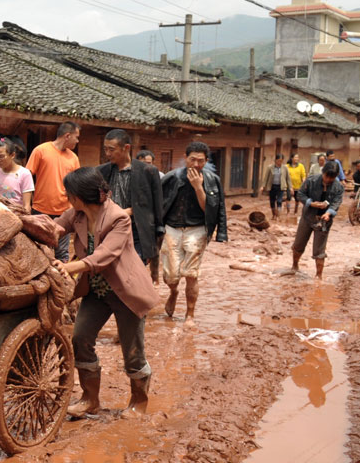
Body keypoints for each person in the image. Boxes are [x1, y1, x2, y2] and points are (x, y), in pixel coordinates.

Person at [52, 168, 159, 418]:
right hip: (96, 290)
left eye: (68, 193)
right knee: (80, 338)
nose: (67, 197)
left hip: (126, 290)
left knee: (133, 351)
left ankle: (139, 403)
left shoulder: (119, 218)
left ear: (78, 196)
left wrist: (69, 267)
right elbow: (54, 228)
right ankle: (90, 399)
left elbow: (104, 255)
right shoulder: (76, 214)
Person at [159, 141, 228, 326]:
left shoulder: (212, 180)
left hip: (197, 230)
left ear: (206, 161)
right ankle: (173, 292)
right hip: (172, 229)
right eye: (193, 160)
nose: (196, 164)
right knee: (171, 276)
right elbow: (158, 204)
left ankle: (190, 315)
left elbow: (214, 209)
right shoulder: (171, 177)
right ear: (185, 158)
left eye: (201, 161)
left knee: (191, 274)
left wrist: (198, 186)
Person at [97, 129, 164, 265]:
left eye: (111, 149)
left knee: (135, 271)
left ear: (126, 147)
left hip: (137, 231)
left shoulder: (148, 171)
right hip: (110, 230)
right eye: (105, 149)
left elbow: (156, 206)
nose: (108, 154)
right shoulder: (101, 171)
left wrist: (156, 237)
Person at [27, 121, 81, 261]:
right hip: (41, 210)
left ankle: (60, 281)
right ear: (67, 136)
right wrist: (26, 204)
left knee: (61, 253)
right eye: (76, 137)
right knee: (38, 250)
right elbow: (26, 177)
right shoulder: (41, 150)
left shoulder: (74, 158)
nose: (78, 140)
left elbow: (77, 185)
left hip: (64, 212)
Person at [290, 159, 344, 280]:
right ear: (322, 172)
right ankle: (295, 265)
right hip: (308, 217)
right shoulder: (311, 180)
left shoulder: (338, 187)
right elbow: (300, 194)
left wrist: (328, 213)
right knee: (299, 244)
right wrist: (311, 203)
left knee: (320, 250)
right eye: (326, 177)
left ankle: (318, 276)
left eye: (332, 178)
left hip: (324, 221)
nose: (328, 180)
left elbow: (337, 202)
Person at [0, 137, 34, 211]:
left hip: (17, 215)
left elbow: (27, 206)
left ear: (12, 155)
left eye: (2, 156)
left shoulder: (24, 174)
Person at [260, 154, 292, 220]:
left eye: (281, 161)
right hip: (272, 186)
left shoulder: (285, 168)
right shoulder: (270, 167)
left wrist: (290, 187)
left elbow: (288, 178)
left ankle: (278, 215)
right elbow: (266, 178)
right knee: (272, 201)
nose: (279, 162)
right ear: (275, 160)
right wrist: (263, 186)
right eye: (278, 161)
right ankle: (273, 214)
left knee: (279, 201)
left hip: (281, 187)